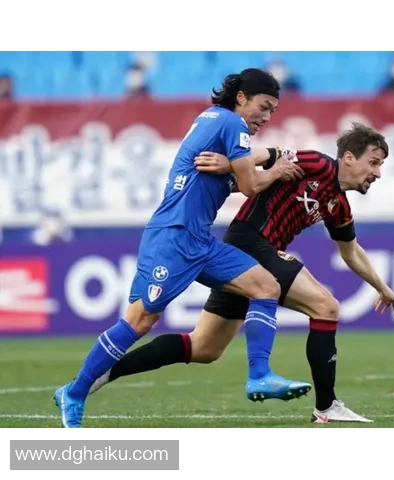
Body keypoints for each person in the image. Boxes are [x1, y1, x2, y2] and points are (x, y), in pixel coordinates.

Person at [88, 123, 394, 423]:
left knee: (204, 348)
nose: (378, 173)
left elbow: (350, 251)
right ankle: (326, 406)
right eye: (373, 163)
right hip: (250, 241)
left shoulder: (339, 205)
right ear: (348, 158)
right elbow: (270, 154)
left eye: (381, 165)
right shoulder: (318, 164)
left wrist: (382, 287)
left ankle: (103, 373)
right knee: (326, 306)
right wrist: (230, 164)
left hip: (251, 255)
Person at [53, 68, 311, 428]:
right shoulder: (232, 123)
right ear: (241, 98)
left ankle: (260, 376)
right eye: (264, 107)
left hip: (199, 240)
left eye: (273, 111)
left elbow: (226, 181)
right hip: (174, 236)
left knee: (266, 286)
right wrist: (277, 169)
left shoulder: (214, 119)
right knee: (140, 320)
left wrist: (237, 167)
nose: (266, 117)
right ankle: (75, 391)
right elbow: (250, 186)